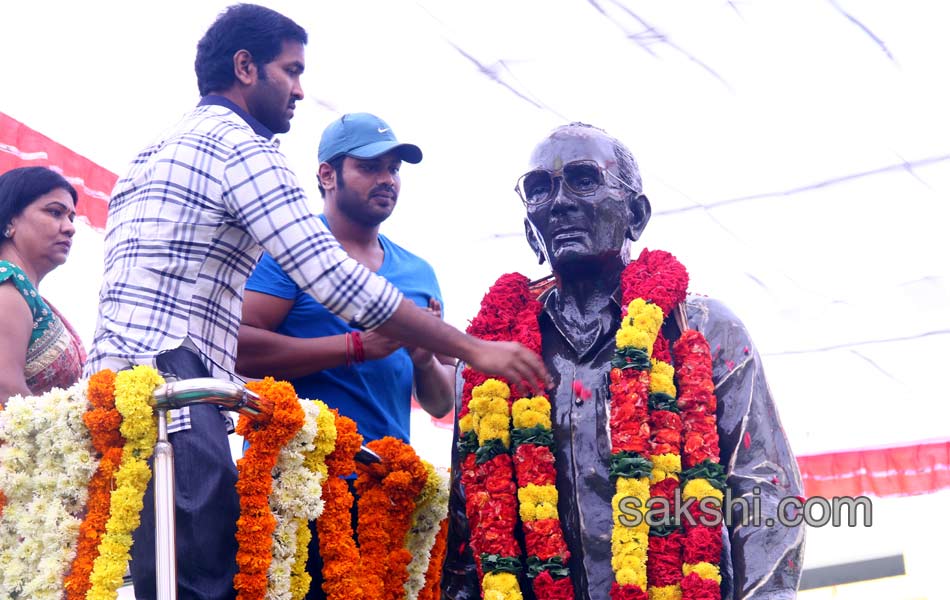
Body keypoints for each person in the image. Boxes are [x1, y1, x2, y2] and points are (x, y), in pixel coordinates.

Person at [84, 5, 547, 600]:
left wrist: (429, 355)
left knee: (164, 578)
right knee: (198, 580)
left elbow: (429, 390)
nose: (301, 90)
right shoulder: (242, 149)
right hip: (183, 393)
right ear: (245, 67)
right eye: (292, 70)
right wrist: (472, 348)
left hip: (119, 398)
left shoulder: (151, 151)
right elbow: (335, 278)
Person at [442, 123, 804, 599]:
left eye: (584, 179)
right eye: (539, 189)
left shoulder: (702, 330)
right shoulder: (491, 359)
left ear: (636, 213)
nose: (559, 202)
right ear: (530, 225)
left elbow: (764, 495)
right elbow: (470, 532)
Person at [237, 112, 454, 599]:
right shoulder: (287, 252)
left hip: (385, 492)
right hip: (297, 489)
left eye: (394, 168)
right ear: (327, 175)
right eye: (370, 166)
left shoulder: (419, 273)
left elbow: (441, 404)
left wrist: (423, 358)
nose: (387, 180)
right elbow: (239, 347)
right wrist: (355, 347)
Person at [0, 166, 85, 403]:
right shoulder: (6, 283)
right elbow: (5, 391)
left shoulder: (25, 292)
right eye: (55, 212)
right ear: (10, 220)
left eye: (70, 217)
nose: (70, 228)